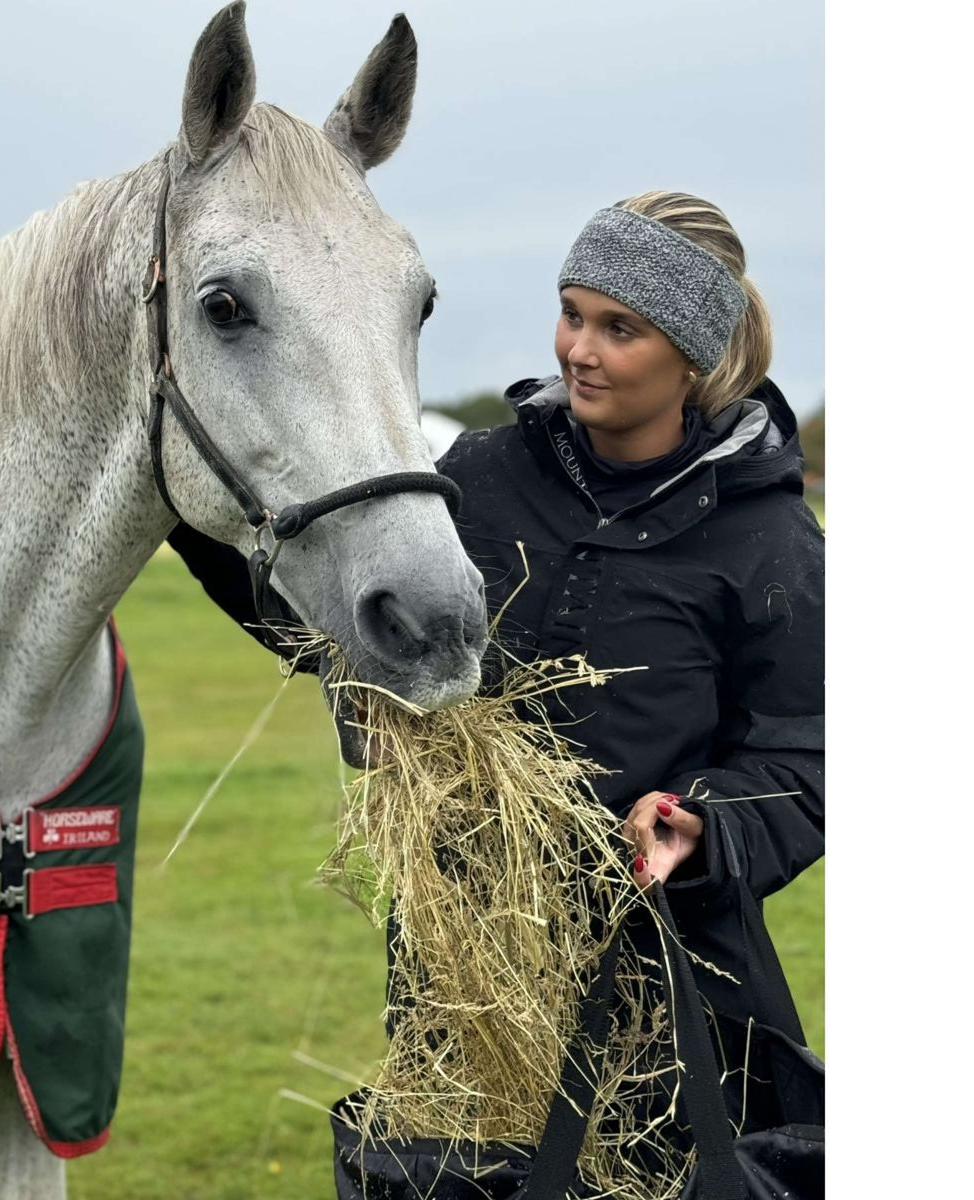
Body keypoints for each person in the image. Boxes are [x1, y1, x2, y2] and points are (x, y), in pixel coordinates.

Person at [169, 188, 824, 1154]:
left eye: (619, 328)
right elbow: (338, 629)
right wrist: (192, 513)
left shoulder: (768, 538)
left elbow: (807, 761)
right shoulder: (478, 476)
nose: (579, 350)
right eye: (571, 313)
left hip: (671, 1008)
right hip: (465, 987)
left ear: (691, 353)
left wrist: (700, 823)